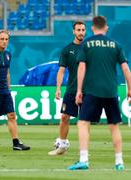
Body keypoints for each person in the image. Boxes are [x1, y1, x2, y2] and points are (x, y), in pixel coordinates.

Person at [68, 16, 131, 170]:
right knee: (114, 126)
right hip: (111, 91)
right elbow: (125, 69)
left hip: (92, 91)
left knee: (83, 122)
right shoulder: (116, 45)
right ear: (106, 28)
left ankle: (84, 160)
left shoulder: (87, 44)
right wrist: (130, 89)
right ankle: (119, 162)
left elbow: (81, 68)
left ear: (92, 28)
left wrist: (78, 91)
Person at [48, 21, 86, 155]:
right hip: (71, 89)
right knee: (64, 117)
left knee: (85, 121)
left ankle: (84, 151)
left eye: (83, 30)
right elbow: (61, 71)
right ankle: (62, 146)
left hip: (87, 90)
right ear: (73, 32)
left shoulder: (89, 48)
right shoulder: (67, 50)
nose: (81, 32)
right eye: (78, 30)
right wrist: (58, 88)